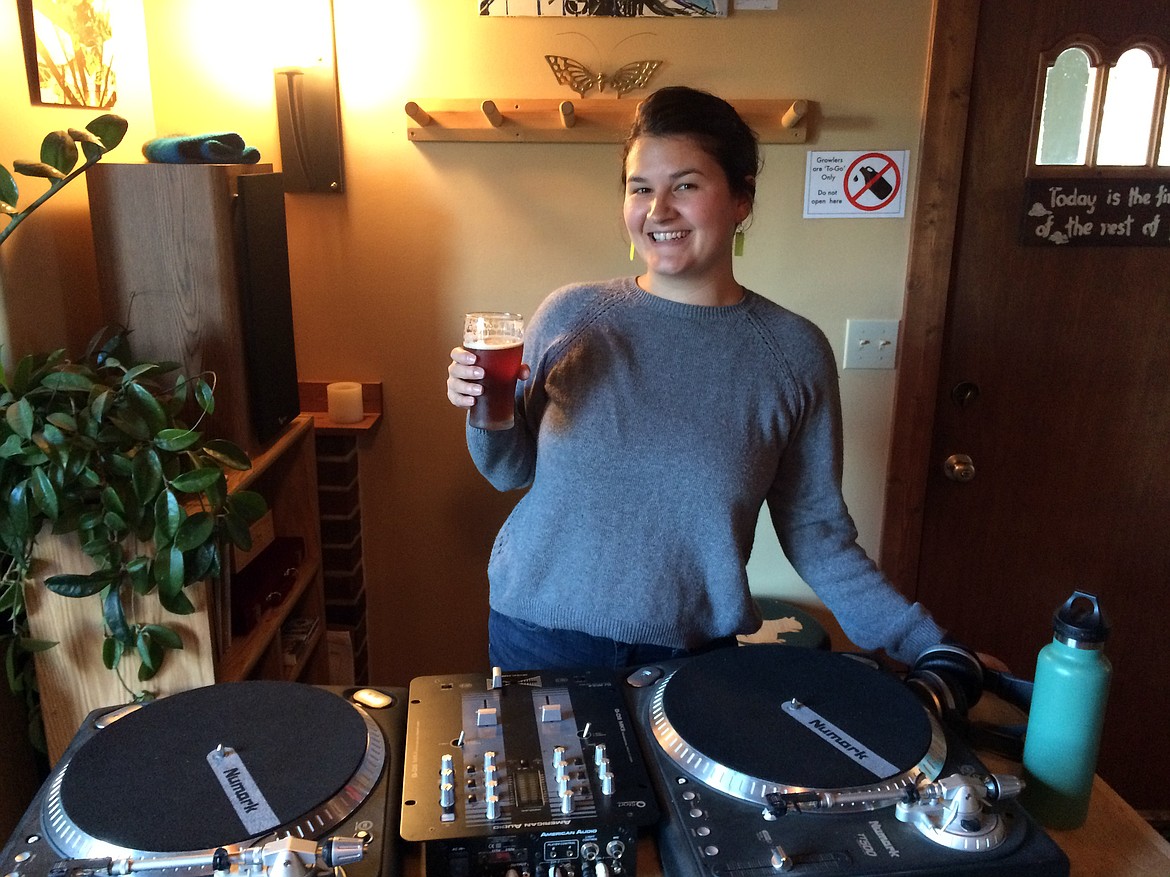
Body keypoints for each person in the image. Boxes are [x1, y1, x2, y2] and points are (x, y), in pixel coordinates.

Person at [446, 86, 944, 672]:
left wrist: (927, 644)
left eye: (685, 185)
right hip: (536, 633)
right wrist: (486, 406)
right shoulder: (572, 315)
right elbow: (509, 471)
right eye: (641, 189)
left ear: (741, 200)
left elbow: (816, 534)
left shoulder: (791, 353)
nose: (658, 210)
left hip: (690, 657)